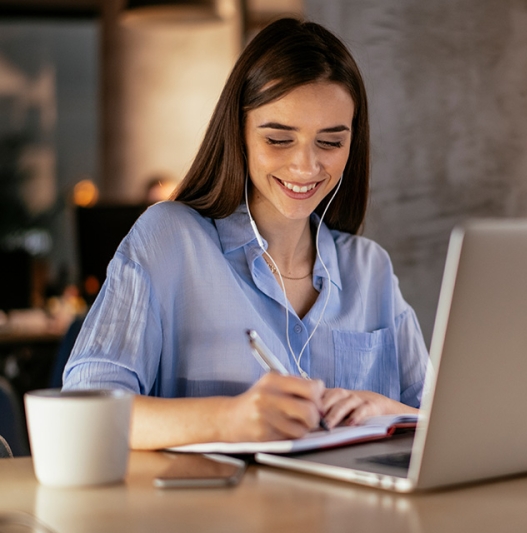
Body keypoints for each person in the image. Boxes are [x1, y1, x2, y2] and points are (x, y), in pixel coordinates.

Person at [62, 18, 429, 451]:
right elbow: (81, 416)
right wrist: (228, 418)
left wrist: (391, 413)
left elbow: (448, 420)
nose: (305, 167)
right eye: (278, 139)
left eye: (330, 142)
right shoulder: (171, 240)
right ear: (238, 132)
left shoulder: (371, 269)